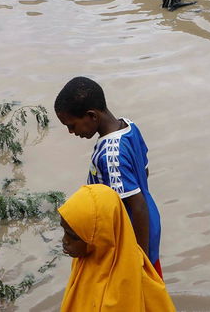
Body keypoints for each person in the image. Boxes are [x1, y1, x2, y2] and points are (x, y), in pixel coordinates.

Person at [55, 77, 163, 278]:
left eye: (72, 125)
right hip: (150, 224)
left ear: (91, 116)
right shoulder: (129, 127)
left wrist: (138, 261)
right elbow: (144, 173)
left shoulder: (111, 155)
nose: (71, 132)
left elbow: (136, 206)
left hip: (131, 238)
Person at [58, 184, 175, 312]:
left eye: (73, 236)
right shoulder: (84, 259)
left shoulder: (125, 284)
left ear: (100, 238)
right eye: (64, 231)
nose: (64, 241)